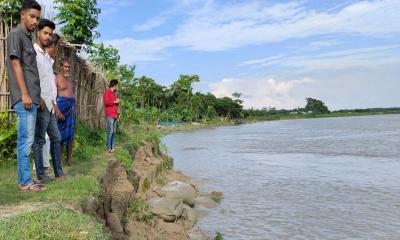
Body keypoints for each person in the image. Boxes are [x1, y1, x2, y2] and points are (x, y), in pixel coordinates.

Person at [6, 0, 46, 192]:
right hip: (25, 98)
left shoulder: (27, 37)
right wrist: (24, 94)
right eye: (32, 16)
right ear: (22, 14)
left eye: (37, 18)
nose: (35, 21)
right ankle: (25, 182)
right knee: (26, 140)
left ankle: (24, 178)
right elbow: (16, 65)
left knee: (28, 140)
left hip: (32, 98)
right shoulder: (16, 34)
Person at [32, 19, 65, 183]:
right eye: (45, 33)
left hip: (50, 105)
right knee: (39, 140)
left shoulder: (45, 57)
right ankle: (40, 175)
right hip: (41, 104)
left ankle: (59, 172)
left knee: (56, 138)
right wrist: (38, 99)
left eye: (50, 34)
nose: (48, 37)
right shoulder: (34, 53)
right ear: (38, 32)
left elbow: (49, 83)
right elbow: (31, 78)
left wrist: (54, 104)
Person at [41, 33, 60, 169]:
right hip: (44, 104)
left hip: (51, 105)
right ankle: (40, 168)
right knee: (42, 138)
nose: (57, 50)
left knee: (52, 137)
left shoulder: (50, 62)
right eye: (57, 46)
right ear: (52, 45)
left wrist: (55, 105)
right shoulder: (42, 60)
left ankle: (47, 165)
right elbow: (41, 83)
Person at [56, 58, 76, 166]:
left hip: (71, 108)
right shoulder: (57, 78)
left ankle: (69, 160)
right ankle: (58, 160)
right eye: (65, 66)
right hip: (61, 108)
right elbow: (54, 96)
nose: (67, 68)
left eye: (68, 67)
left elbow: (71, 93)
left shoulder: (70, 80)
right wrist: (58, 111)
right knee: (60, 135)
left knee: (71, 136)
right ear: (61, 66)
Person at [103, 79, 120, 153]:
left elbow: (115, 104)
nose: (117, 87)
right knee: (110, 131)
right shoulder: (107, 92)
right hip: (110, 114)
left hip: (115, 114)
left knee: (114, 132)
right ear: (114, 85)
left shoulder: (114, 93)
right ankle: (109, 148)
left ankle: (113, 147)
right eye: (117, 85)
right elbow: (106, 102)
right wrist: (114, 101)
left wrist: (117, 102)